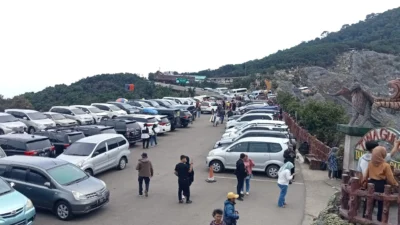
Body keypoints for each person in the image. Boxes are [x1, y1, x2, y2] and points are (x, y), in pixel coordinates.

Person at [362, 146, 399, 221]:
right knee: (381, 204)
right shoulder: (385, 165)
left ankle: (365, 218)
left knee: (369, 202)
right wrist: (396, 184)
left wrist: (363, 183)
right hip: (381, 185)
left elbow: (365, 176)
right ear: (382, 154)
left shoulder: (370, 163)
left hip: (371, 184)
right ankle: (380, 220)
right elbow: (390, 178)